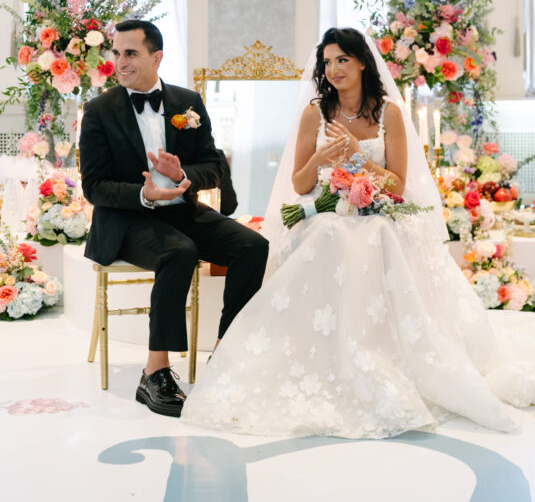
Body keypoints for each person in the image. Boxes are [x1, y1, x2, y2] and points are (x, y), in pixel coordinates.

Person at [181, 27, 535, 438]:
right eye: (327, 62)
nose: (334, 69)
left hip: (380, 211)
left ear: (363, 62)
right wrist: (320, 158)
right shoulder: (314, 113)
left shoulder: (389, 114)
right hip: (325, 211)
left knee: (378, 233)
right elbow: (299, 183)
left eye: (342, 60)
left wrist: (356, 158)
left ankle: (376, 350)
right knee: (328, 233)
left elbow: (397, 184)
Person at [80, 19, 269, 418]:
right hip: (128, 220)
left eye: (131, 53)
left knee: (253, 246)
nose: (120, 62)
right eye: (117, 53)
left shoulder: (188, 102)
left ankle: (225, 356)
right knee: (179, 252)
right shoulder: (99, 110)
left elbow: (214, 167)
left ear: (157, 57)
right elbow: (94, 187)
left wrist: (183, 173)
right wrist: (143, 194)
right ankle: (155, 372)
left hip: (184, 211)